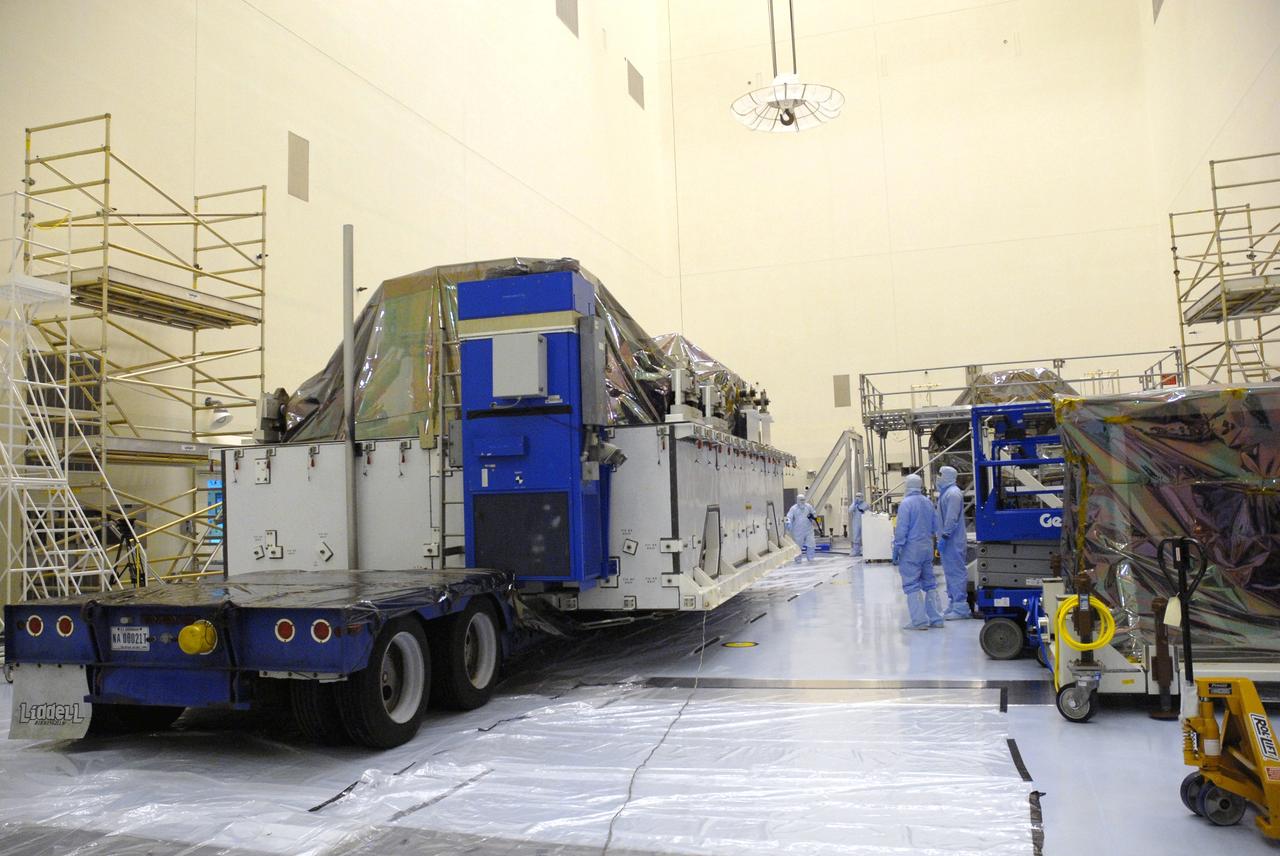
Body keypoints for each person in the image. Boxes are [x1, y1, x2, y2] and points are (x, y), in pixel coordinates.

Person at [892, 474, 943, 630]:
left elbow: (902, 529)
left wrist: (897, 547)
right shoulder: (928, 502)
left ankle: (919, 621)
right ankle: (936, 618)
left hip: (911, 549)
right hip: (927, 547)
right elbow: (935, 526)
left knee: (911, 584)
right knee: (930, 583)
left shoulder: (906, 504)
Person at [935, 465, 971, 619]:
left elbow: (951, 518)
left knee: (956, 572)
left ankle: (961, 607)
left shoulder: (953, 494)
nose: (938, 478)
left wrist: (945, 535)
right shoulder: (946, 493)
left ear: (948, 476)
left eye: (940, 475)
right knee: (950, 572)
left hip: (953, 540)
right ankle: (953, 603)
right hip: (948, 540)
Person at [785, 493, 818, 563]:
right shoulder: (793, 508)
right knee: (798, 546)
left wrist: (814, 518)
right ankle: (798, 560)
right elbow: (788, 517)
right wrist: (788, 523)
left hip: (809, 529)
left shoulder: (808, 507)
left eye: (803, 500)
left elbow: (814, 514)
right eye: (801, 500)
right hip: (798, 531)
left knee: (811, 543)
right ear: (797, 500)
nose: (802, 502)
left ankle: (811, 558)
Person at [848, 493, 869, 557]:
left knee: (865, 536)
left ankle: (866, 551)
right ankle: (856, 551)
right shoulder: (855, 504)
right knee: (856, 536)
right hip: (856, 523)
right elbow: (850, 510)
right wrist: (854, 504)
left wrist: (857, 506)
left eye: (859, 496)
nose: (857, 498)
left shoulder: (865, 504)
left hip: (864, 522)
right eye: (856, 496)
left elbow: (863, 510)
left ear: (862, 497)